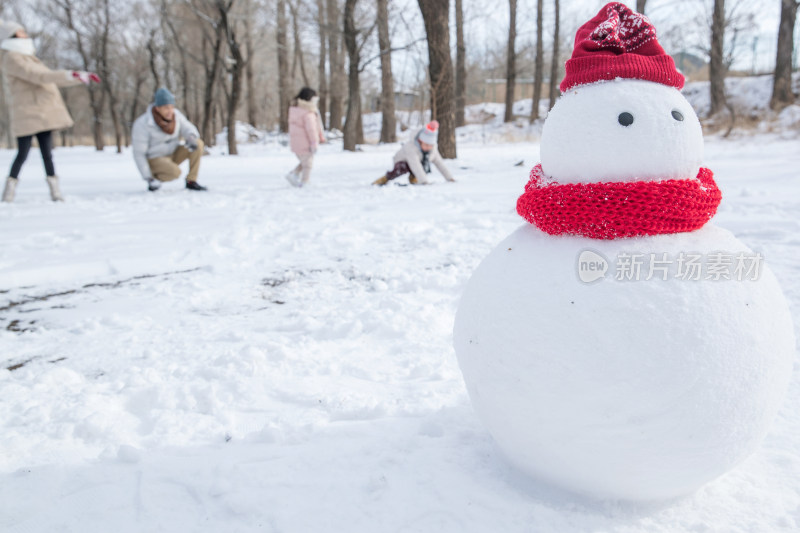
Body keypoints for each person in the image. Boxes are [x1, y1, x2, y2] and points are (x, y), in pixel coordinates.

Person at [0, 20, 100, 203]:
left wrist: (76, 77)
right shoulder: (12, 57)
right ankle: (9, 191)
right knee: (23, 152)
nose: (24, 32)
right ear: (11, 35)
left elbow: (46, 77)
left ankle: (55, 191)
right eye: (20, 30)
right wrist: (71, 75)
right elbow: (40, 76)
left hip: (42, 112)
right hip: (27, 113)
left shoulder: (26, 55)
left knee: (47, 153)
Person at [131, 87, 207, 192]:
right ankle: (155, 179)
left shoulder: (176, 115)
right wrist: (148, 177)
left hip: (173, 153)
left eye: (172, 107)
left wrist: (191, 137)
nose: (170, 111)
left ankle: (191, 181)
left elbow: (188, 127)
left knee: (198, 143)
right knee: (175, 173)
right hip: (155, 158)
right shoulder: (143, 123)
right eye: (166, 107)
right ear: (157, 108)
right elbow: (139, 154)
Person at [373, 121, 456, 186]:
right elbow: (415, 165)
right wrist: (424, 181)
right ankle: (386, 178)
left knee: (425, 163)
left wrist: (449, 178)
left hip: (418, 162)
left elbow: (440, 164)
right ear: (420, 141)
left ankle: (413, 177)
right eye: (426, 145)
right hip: (402, 160)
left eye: (430, 145)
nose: (428, 147)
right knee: (402, 168)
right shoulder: (411, 147)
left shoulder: (432, 150)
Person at [285, 87, 325, 188]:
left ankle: (294, 174)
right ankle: (305, 181)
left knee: (305, 161)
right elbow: (311, 129)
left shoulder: (295, 110)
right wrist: (314, 142)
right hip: (306, 142)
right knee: (308, 164)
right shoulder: (308, 112)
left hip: (296, 142)